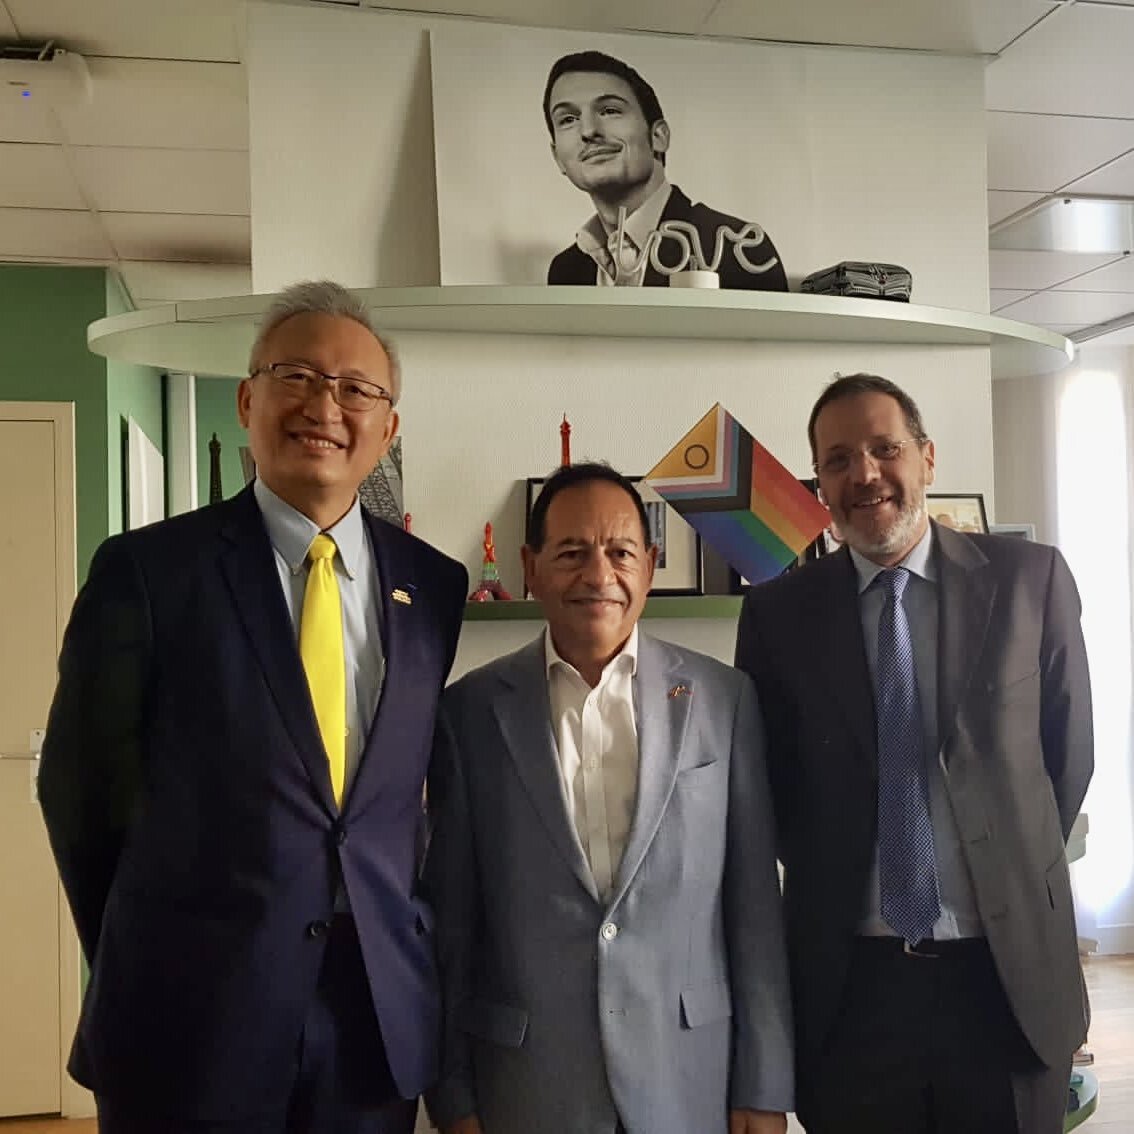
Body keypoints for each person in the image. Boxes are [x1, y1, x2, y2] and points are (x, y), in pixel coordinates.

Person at [38, 280, 468, 1133]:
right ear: (247, 400)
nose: (325, 406)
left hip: (370, 1024)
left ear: (388, 428)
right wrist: (144, 946)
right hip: (188, 1015)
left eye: (356, 389)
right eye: (296, 376)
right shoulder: (149, 574)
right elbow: (81, 794)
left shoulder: (434, 585)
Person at [734, 373, 1094, 1134]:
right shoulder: (777, 613)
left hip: (1005, 984)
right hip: (851, 992)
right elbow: (774, 787)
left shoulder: (1029, 581)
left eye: (884, 448)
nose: (864, 474)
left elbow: (1068, 758)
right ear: (820, 484)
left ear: (927, 458)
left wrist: (1004, 860)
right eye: (838, 460)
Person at [423, 463, 793, 1134]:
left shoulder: (724, 700)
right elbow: (453, 921)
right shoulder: (469, 713)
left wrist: (764, 1087)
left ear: (649, 565)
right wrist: (452, 1097)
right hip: (527, 1088)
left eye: (620, 552)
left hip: (690, 1080)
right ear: (531, 568)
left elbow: (754, 909)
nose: (599, 575)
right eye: (571, 553)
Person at [542, 51, 788, 291]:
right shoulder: (566, 270)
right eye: (568, 119)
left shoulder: (740, 250)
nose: (588, 131)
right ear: (557, 158)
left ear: (658, 136)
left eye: (609, 111)